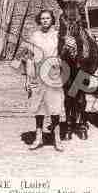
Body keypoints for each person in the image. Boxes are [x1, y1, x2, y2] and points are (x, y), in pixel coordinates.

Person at [25, 9, 66, 151]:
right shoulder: (34, 36)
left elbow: (64, 55)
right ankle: (38, 138)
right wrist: (28, 79)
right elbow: (29, 58)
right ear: (39, 20)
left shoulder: (58, 36)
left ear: (52, 20)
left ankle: (57, 139)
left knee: (55, 109)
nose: (45, 21)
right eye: (42, 18)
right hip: (38, 76)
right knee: (39, 109)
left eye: (47, 18)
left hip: (53, 75)